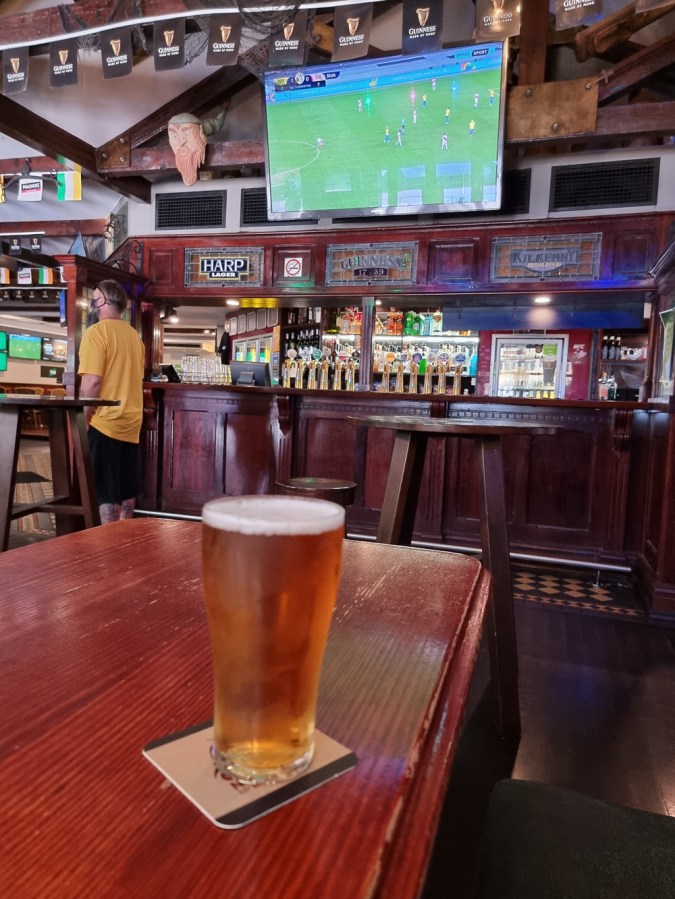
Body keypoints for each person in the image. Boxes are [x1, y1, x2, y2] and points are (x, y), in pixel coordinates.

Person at [78, 279, 145, 525]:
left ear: (102, 301)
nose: (91, 304)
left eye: (94, 299)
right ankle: (124, 540)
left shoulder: (96, 333)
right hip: (132, 421)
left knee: (105, 492)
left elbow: (92, 382)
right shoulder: (134, 336)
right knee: (127, 490)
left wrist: (83, 418)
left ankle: (107, 543)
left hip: (105, 422)